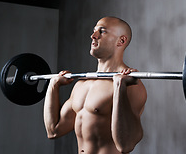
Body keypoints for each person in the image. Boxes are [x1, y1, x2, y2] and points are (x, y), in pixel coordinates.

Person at [43, 16, 147, 154]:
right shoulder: (81, 85)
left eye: (102, 31)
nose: (93, 36)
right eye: (94, 31)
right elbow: (53, 130)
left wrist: (119, 88)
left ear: (121, 41)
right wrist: (52, 86)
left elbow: (126, 145)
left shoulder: (131, 85)